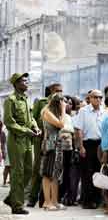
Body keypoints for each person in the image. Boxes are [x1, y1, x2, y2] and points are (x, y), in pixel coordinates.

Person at [3, 73, 41, 215]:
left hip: (28, 140)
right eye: (24, 81)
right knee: (18, 173)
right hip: (16, 140)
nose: (27, 83)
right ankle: (17, 206)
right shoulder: (10, 100)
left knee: (29, 171)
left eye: (27, 80)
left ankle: (11, 198)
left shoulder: (26, 99)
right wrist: (26, 131)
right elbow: (9, 122)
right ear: (16, 84)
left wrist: (35, 127)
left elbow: (30, 117)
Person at [28, 83, 63, 208]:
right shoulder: (42, 102)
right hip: (42, 139)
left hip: (56, 141)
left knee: (54, 171)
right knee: (39, 169)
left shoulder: (59, 104)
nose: (60, 93)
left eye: (61, 90)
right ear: (51, 91)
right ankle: (32, 197)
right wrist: (38, 129)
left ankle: (49, 200)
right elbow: (32, 118)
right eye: (57, 90)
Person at [74, 89, 105, 209]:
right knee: (87, 173)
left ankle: (98, 199)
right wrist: (80, 146)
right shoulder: (83, 111)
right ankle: (87, 200)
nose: (98, 99)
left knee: (99, 172)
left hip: (100, 145)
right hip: (87, 144)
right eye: (96, 97)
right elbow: (78, 130)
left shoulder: (104, 111)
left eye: (100, 97)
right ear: (90, 98)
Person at [40, 93, 68, 211]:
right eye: (61, 102)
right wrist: (63, 109)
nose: (63, 104)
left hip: (57, 145)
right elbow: (61, 124)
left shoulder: (56, 112)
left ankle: (55, 201)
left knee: (56, 174)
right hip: (50, 146)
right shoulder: (47, 111)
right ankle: (47, 202)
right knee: (48, 174)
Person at [59, 95, 77, 206]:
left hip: (70, 149)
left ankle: (67, 197)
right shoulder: (57, 115)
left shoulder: (71, 117)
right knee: (58, 174)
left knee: (68, 174)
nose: (68, 105)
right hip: (59, 148)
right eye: (66, 102)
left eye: (70, 103)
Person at [0, 121, 10, 187]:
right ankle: (4, 182)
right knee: (7, 167)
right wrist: (3, 152)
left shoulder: (11, 130)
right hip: (7, 152)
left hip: (12, 152)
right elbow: (2, 144)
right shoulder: (4, 131)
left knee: (11, 167)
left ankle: (10, 180)